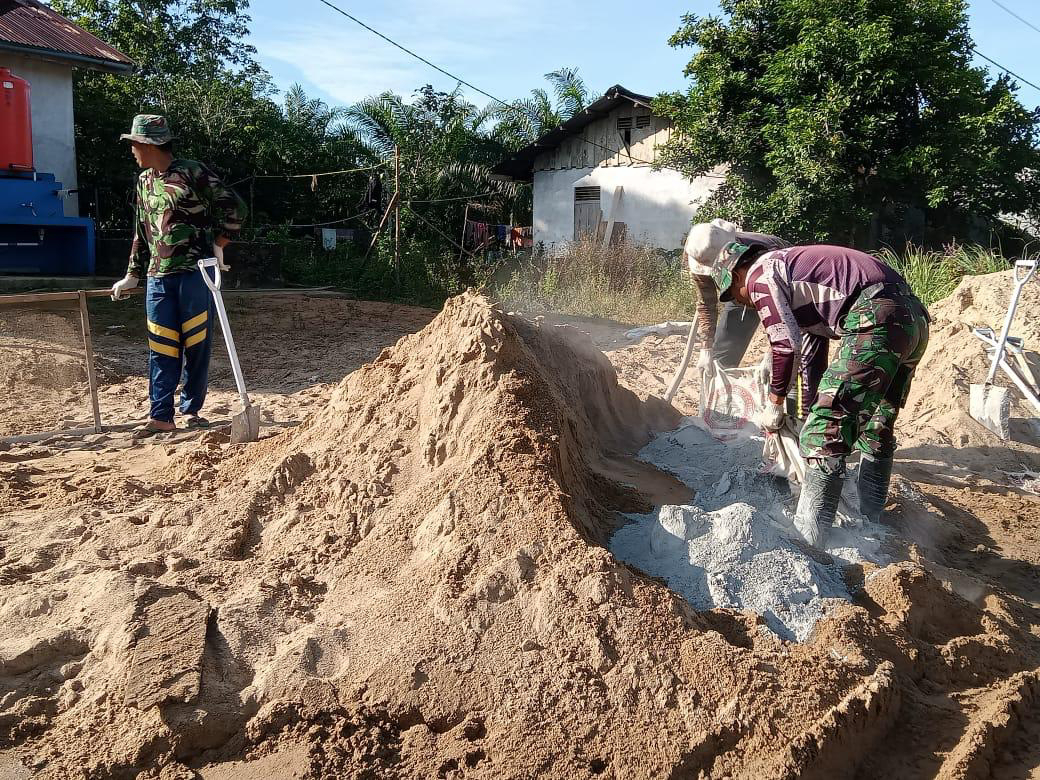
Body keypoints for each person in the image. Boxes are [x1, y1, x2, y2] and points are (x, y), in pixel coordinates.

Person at [711, 242, 930, 547]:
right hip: (911, 320)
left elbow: (785, 345)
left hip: (875, 317)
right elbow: (811, 360)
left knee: (826, 431)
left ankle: (810, 539)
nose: (740, 301)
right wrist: (805, 416)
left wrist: (775, 403)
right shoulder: (801, 281)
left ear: (737, 276)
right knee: (875, 425)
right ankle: (871, 522)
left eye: (733, 295)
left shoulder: (761, 274)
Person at [110, 114, 247, 438]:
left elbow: (235, 208)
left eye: (134, 144)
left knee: (196, 344)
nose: (132, 150)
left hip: (195, 273)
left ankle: (191, 410)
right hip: (158, 277)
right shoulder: (143, 182)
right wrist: (133, 274)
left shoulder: (192, 172)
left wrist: (219, 244)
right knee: (161, 345)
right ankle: (160, 416)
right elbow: (141, 231)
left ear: (150, 144)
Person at [682, 219, 788, 372]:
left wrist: (775, 351)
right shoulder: (700, 252)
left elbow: (785, 309)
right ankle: (718, 391)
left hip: (784, 288)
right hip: (739, 293)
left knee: (789, 363)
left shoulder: (766, 254)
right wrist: (706, 348)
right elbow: (707, 303)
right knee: (720, 359)